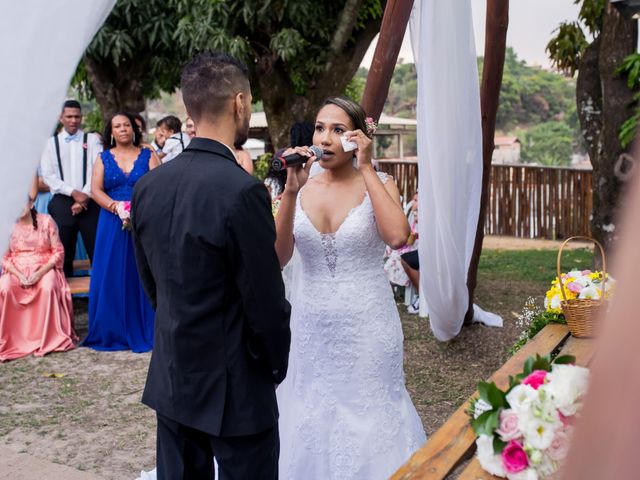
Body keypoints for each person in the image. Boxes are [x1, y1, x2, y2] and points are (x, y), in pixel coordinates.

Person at [132, 51, 291, 479]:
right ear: (240, 103)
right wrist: (274, 365)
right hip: (235, 386)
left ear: (189, 108)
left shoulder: (148, 186)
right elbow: (265, 302)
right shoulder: (241, 192)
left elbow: (153, 285)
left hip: (172, 374)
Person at [274, 96, 426, 479]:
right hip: (309, 327)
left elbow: (397, 236)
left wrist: (367, 168)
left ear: (358, 137)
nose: (325, 138)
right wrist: (291, 191)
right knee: (310, 408)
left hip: (368, 327)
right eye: (320, 128)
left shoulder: (379, 182)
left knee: (372, 410)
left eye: (338, 130)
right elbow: (277, 257)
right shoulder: (300, 188)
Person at [83, 112, 160, 352]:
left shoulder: (148, 154)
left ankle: (149, 326)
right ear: (111, 132)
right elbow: (95, 190)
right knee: (111, 271)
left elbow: (159, 185)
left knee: (143, 271)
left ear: (134, 129)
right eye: (118, 126)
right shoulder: (103, 158)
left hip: (144, 219)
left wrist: (141, 208)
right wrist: (115, 207)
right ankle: (111, 328)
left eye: (127, 124)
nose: (123, 129)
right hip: (111, 221)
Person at [0, 193, 76, 361]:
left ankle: (47, 337)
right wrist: (19, 275)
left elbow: (58, 252)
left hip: (44, 267)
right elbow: (4, 258)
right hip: (17, 269)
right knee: (4, 287)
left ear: (32, 204)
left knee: (47, 287)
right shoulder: (7, 226)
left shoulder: (46, 221)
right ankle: (13, 338)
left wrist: (40, 272)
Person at [40, 99, 102, 277]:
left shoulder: (92, 140)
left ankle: (99, 296)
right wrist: (74, 193)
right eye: (69, 116)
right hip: (62, 201)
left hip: (90, 199)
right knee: (62, 250)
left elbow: (97, 169)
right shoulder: (50, 144)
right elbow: (48, 176)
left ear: (82, 117)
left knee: (96, 249)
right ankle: (62, 297)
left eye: (77, 116)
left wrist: (84, 197)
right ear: (61, 118)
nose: (73, 120)